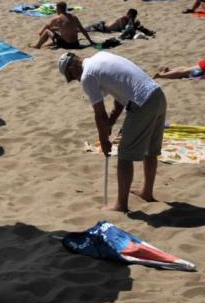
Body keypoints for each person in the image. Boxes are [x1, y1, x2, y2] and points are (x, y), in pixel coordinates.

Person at [59, 52, 167, 212]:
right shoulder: (101, 56)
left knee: (124, 155)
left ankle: (121, 204)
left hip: (142, 102)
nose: (75, 79)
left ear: (73, 66)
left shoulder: (87, 75)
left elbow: (99, 114)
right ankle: (147, 193)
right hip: (158, 95)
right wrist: (111, 121)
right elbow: (120, 96)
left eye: (71, 75)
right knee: (150, 150)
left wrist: (104, 141)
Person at [87, 8, 155, 38]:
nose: (132, 18)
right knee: (85, 30)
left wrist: (135, 24)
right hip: (102, 27)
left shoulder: (128, 20)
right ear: (129, 14)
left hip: (104, 27)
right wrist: (134, 24)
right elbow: (123, 29)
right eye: (132, 16)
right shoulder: (123, 18)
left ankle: (149, 32)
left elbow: (129, 27)